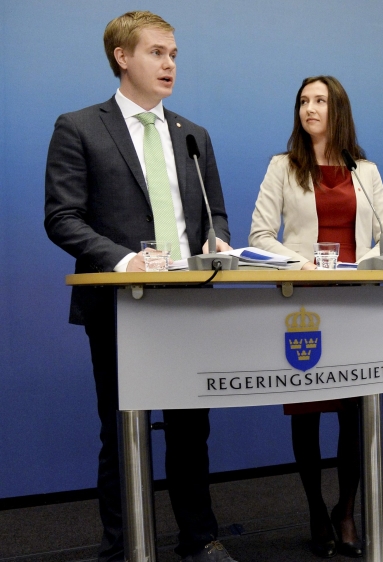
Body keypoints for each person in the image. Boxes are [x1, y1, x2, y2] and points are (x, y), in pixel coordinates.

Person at [43, 11, 236, 562]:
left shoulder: (193, 135)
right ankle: (124, 546)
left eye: (174, 54)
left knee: (190, 432)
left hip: (188, 301)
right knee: (123, 430)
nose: (170, 63)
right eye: (157, 52)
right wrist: (126, 261)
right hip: (119, 303)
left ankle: (199, 539)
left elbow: (214, 213)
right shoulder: (79, 126)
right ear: (122, 57)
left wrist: (216, 242)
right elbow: (63, 217)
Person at [248, 75, 383, 558]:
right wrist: (302, 262)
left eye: (320, 100)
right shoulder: (283, 166)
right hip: (304, 303)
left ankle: (346, 510)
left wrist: (363, 263)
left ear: (339, 110)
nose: (310, 108)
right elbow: (259, 236)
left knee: (355, 413)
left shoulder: (365, 171)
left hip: (355, 301)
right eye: (303, 101)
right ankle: (315, 508)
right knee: (307, 415)